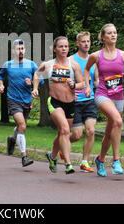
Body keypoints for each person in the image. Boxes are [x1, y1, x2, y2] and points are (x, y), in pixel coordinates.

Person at [84, 23, 124, 177]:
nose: (113, 35)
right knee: (118, 121)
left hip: (118, 96)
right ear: (103, 37)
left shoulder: (123, 55)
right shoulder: (96, 56)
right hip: (102, 94)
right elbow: (87, 69)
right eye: (109, 33)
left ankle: (100, 160)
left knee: (110, 131)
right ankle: (116, 160)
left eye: (115, 32)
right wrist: (87, 85)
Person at [33, 36, 84, 174]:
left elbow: (82, 84)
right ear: (55, 49)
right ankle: (68, 164)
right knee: (65, 130)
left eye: (66, 46)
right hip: (55, 102)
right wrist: (35, 88)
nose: (64, 49)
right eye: (61, 46)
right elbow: (37, 74)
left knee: (63, 132)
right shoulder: (48, 64)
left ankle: (52, 156)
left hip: (71, 103)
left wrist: (75, 85)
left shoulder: (74, 65)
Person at [0, 39, 42, 167]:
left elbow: (40, 79)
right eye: (18, 48)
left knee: (20, 127)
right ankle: (24, 157)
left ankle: (12, 139)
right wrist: (1, 86)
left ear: (25, 50)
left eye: (22, 48)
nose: (21, 51)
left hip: (26, 100)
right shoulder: (8, 64)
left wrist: (33, 85)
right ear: (13, 51)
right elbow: (0, 77)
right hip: (13, 99)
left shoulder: (31, 64)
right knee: (22, 126)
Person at [68, 32, 100, 173]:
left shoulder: (93, 60)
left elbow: (97, 80)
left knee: (91, 130)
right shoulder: (70, 60)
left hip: (90, 100)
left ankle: (84, 161)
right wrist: (69, 93)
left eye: (88, 41)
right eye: (83, 41)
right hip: (74, 101)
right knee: (76, 135)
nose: (86, 44)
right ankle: (62, 144)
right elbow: (64, 81)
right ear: (78, 43)